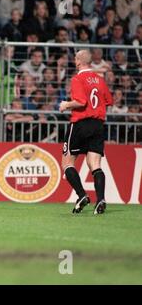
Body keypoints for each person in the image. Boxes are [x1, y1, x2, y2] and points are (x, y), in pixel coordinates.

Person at [59, 50, 114, 215]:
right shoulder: (100, 79)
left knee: (67, 163)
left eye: (75, 58)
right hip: (98, 124)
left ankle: (82, 195)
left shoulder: (77, 79)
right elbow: (108, 101)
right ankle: (101, 200)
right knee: (95, 165)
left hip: (80, 123)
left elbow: (81, 101)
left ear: (78, 61)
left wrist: (66, 105)